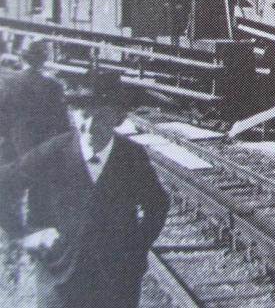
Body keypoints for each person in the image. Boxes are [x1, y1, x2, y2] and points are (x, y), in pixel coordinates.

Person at [0, 71, 170, 308]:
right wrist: (26, 235)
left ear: (118, 118)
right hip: (59, 282)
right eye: (84, 116)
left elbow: (158, 204)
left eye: (100, 117)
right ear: (73, 114)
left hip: (116, 283)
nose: (89, 127)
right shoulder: (52, 153)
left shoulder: (131, 157)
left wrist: (136, 249)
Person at [0, 41, 67, 164]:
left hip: (13, 150)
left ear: (22, 58)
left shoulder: (8, 83)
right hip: (41, 150)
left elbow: (2, 120)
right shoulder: (54, 86)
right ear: (43, 60)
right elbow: (62, 124)